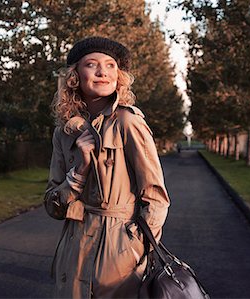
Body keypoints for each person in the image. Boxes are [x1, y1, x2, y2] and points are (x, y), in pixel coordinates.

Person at [44, 36, 170, 298]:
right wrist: (79, 171)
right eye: (92, 64)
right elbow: (52, 205)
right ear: (75, 75)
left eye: (111, 65)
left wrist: (135, 248)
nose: (103, 72)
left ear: (119, 75)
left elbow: (156, 198)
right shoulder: (63, 132)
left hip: (118, 257)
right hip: (72, 249)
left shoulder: (128, 122)